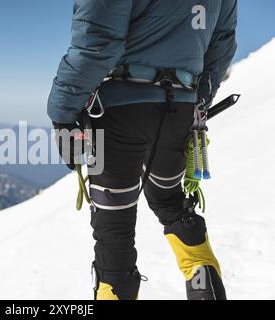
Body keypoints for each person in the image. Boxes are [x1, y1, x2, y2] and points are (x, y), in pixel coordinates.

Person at [48, 0, 237, 300]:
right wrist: (197, 102)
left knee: (114, 234)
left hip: (120, 114)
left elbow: (96, 40)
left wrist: (62, 113)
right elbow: (221, 42)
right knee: (170, 201)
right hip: (180, 109)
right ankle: (202, 278)